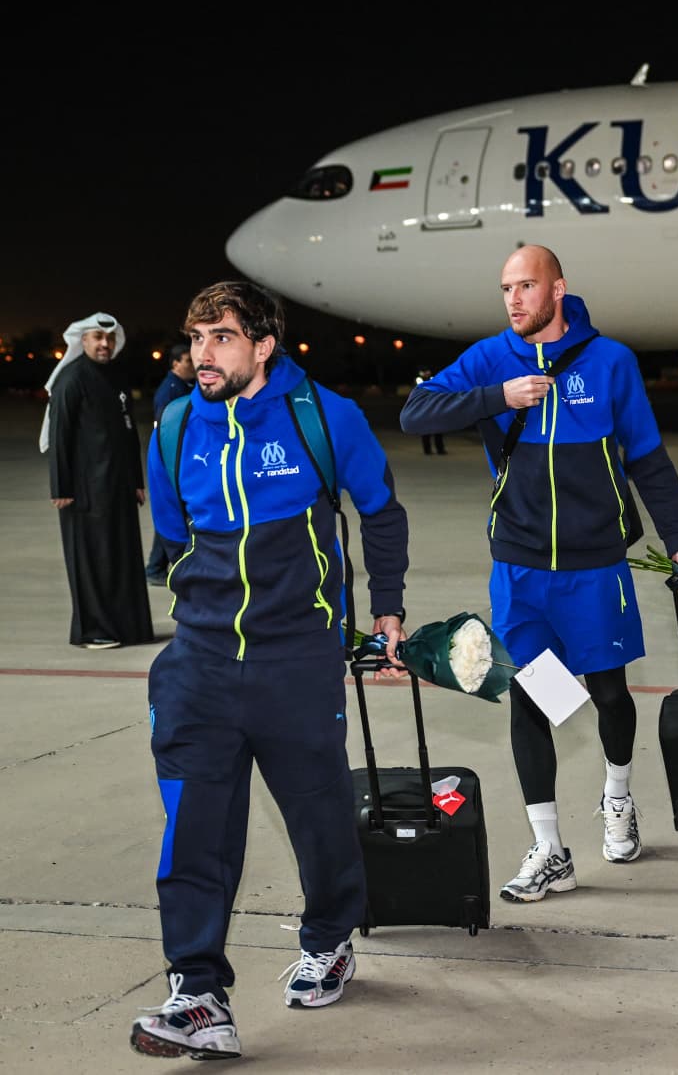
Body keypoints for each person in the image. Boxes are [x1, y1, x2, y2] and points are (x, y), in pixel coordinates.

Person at [130, 282, 410, 1061]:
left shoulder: (323, 417)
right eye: (195, 338)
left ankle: (330, 937)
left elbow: (380, 510)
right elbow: (174, 536)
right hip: (201, 663)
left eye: (221, 337)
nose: (202, 353)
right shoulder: (175, 425)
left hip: (297, 661)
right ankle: (197, 994)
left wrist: (386, 608)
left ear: (263, 345)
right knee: (194, 831)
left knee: (318, 818)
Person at [400, 245, 678, 903]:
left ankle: (617, 798)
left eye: (526, 286)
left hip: (596, 568)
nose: (513, 299)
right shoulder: (489, 358)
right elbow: (413, 413)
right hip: (520, 568)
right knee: (530, 697)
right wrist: (496, 397)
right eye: (506, 288)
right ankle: (550, 850)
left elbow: (648, 459)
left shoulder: (611, 361)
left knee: (609, 695)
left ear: (557, 289)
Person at [41, 312, 154, 650]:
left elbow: (129, 432)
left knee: (121, 557)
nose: (105, 344)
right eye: (97, 338)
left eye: (109, 338)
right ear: (83, 341)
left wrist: (136, 480)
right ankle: (93, 630)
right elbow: (60, 435)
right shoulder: (72, 379)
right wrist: (61, 487)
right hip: (84, 490)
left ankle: (128, 627)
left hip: (118, 487)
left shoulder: (116, 376)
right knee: (92, 561)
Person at [144, 343, 195, 586]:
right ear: (175, 364)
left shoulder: (184, 386)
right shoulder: (170, 390)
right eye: (188, 361)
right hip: (173, 461)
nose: (193, 365)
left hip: (180, 460)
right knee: (170, 516)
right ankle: (155, 568)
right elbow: (165, 430)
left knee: (173, 516)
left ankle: (157, 567)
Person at [412, 370, 447, 455]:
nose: (426, 373)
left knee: (438, 430)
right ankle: (427, 449)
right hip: (424, 409)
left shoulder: (433, 380)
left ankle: (440, 449)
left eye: (427, 372)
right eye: (425, 372)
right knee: (425, 431)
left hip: (434, 408)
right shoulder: (419, 381)